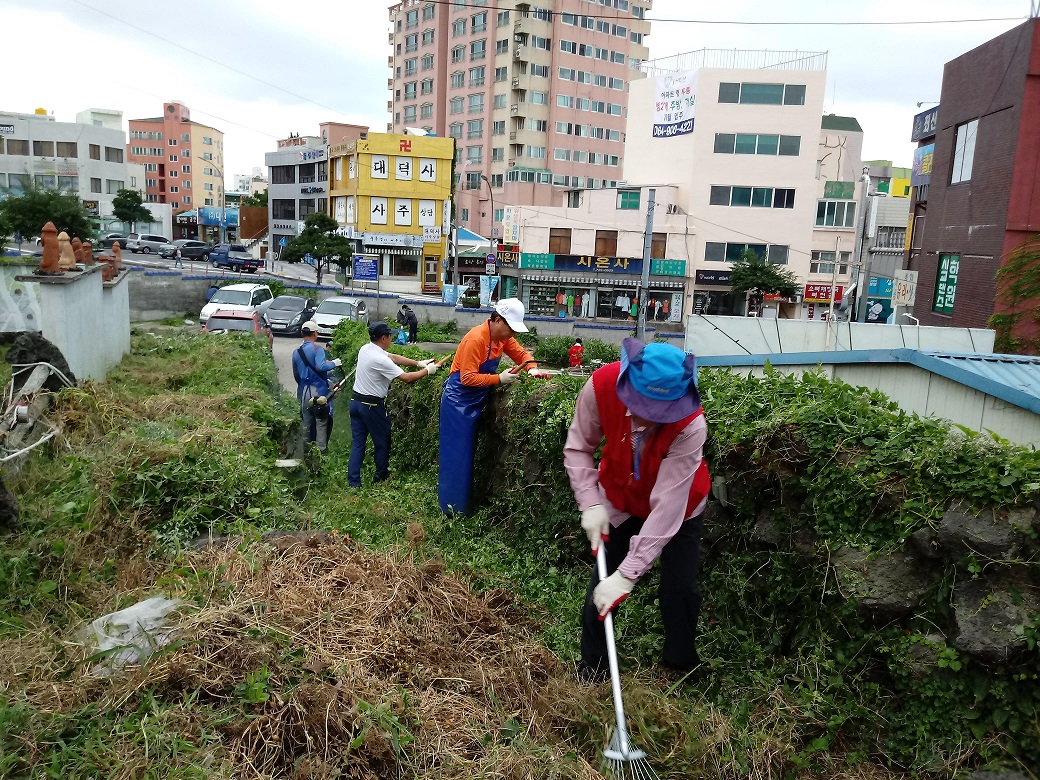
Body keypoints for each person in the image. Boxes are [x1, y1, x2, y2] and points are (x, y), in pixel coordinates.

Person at [563, 338, 711, 683]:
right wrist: (591, 503)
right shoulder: (600, 386)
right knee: (600, 587)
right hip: (618, 498)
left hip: (681, 506)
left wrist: (629, 576)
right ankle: (594, 668)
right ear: (628, 384)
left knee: (680, 587)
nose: (648, 420)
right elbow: (579, 447)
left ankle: (679, 664)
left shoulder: (690, 425)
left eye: (661, 412)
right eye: (644, 406)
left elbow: (666, 509)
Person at [438, 298, 550, 514]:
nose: (513, 334)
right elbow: (467, 378)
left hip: (477, 400)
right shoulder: (476, 339)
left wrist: (533, 369)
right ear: (497, 320)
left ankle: (463, 507)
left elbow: (522, 355)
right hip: (457, 403)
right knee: (456, 458)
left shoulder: (501, 339)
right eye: (511, 328)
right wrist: (499, 378)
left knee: (468, 457)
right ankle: (452, 510)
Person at [349, 321, 439, 488]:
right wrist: (428, 371)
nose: (392, 338)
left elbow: (393, 357)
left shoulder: (366, 349)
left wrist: (419, 363)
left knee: (358, 443)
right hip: (372, 406)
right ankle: (381, 477)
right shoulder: (379, 359)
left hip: (355, 403)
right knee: (382, 442)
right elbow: (407, 378)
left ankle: (354, 483)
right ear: (384, 338)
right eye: (390, 336)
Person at [291, 321, 342, 453]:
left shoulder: (296, 352)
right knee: (321, 421)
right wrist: (334, 363)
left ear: (302, 333)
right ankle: (321, 451)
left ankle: (306, 451)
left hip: (303, 392)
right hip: (319, 391)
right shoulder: (318, 349)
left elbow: (296, 375)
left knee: (306, 422)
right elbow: (321, 367)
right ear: (315, 333)